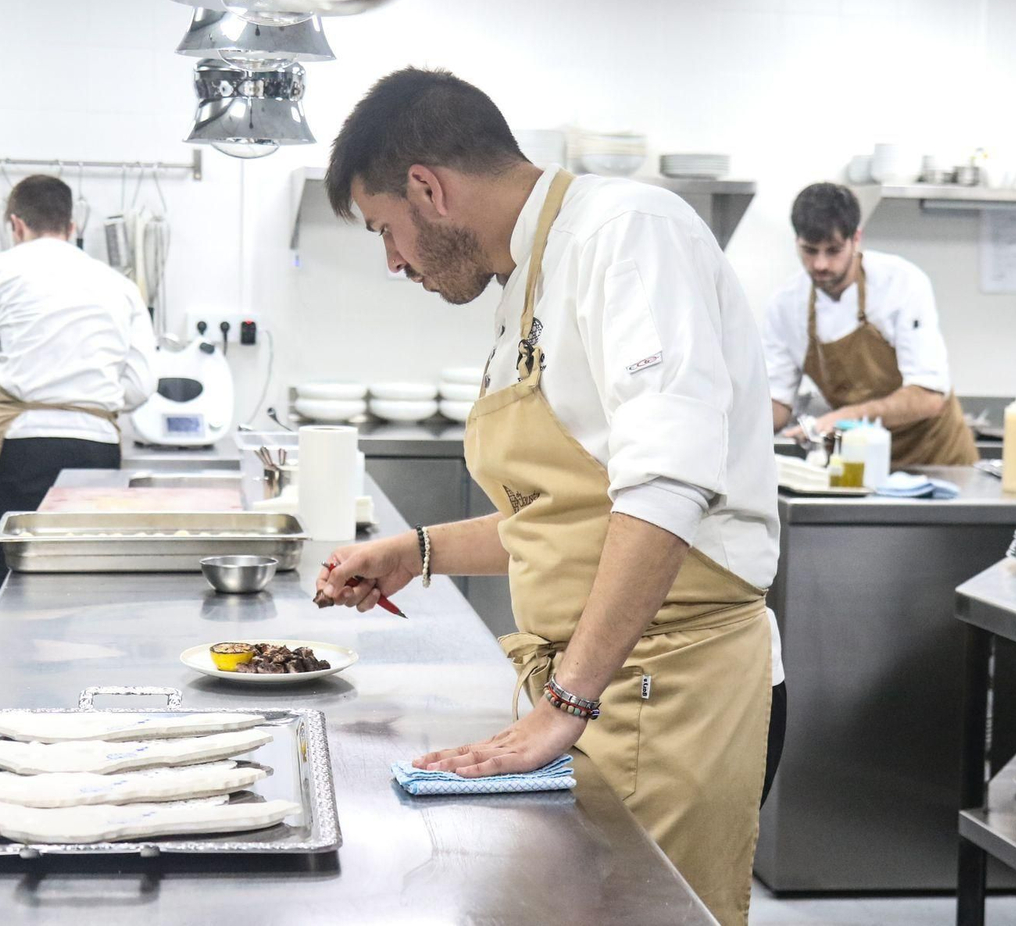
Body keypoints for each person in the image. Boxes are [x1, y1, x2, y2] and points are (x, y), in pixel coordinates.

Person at [312, 67, 783, 926]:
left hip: (669, 691)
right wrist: (415, 552)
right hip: (598, 686)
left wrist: (566, 702)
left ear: (428, 189)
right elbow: (568, 518)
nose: (393, 261)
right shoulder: (528, 278)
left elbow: (666, 487)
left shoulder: (626, 234)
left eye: (386, 230)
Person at [0, 174, 157, 617]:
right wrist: (86, 398)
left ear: (16, 225)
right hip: (96, 449)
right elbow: (141, 385)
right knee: (84, 574)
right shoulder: (119, 285)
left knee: (5, 573)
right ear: (72, 226)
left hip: (20, 448)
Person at [761, 182, 978, 467]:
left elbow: (929, 397)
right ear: (797, 242)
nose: (821, 264)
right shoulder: (786, 306)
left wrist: (843, 417)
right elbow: (778, 402)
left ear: (856, 238)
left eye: (833, 250)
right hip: (861, 464)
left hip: (936, 460)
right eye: (810, 251)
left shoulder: (901, 284)